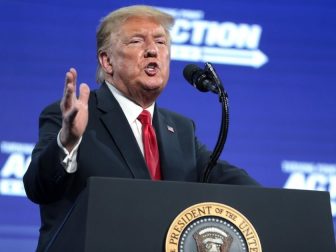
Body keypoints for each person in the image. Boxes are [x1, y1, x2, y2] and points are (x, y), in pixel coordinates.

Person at [23, 5, 259, 251]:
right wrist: (68, 141)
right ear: (107, 61)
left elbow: (227, 178)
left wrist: (286, 204)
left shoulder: (180, 129)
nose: (152, 50)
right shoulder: (72, 116)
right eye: (136, 41)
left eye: (161, 42)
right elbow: (38, 188)